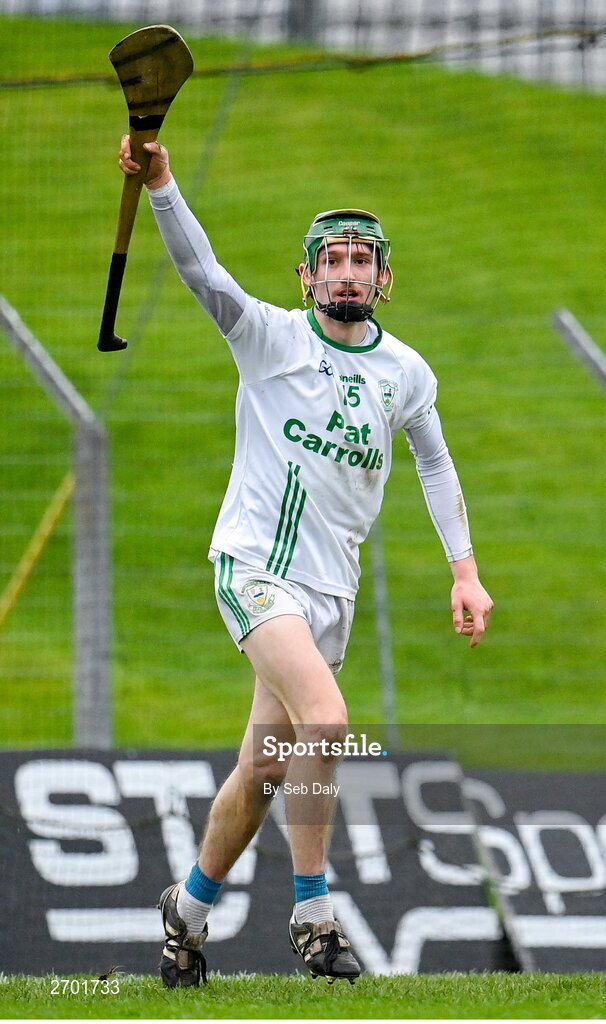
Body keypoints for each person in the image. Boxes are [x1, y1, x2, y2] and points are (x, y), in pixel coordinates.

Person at [118, 136, 494, 988]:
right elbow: (204, 275)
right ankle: (314, 915)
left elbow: (435, 463)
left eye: (364, 259)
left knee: (262, 769)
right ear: (308, 278)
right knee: (326, 721)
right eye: (335, 260)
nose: (350, 272)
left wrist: (464, 570)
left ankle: (187, 911)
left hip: (331, 594)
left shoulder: (406, 372)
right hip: (254, 567)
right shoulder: (270, 338)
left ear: (383, 278)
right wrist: (164, 185)